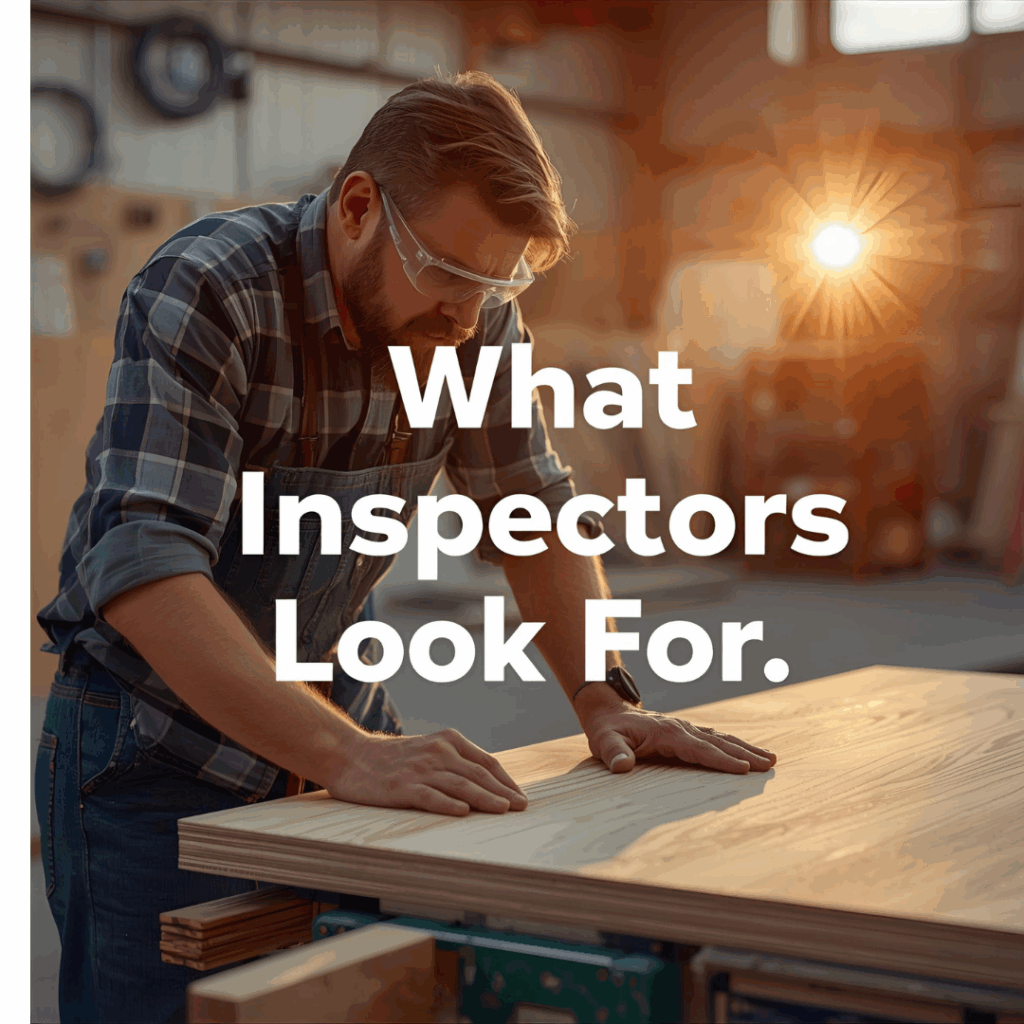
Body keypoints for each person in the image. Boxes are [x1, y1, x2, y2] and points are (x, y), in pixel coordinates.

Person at [34, 71, 776, 1024]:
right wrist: (348, 755)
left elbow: (530, 505)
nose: (469, 318)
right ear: (356, 208)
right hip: (151, 757)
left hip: (337, 736)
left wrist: (603, 695)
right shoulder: (212, 286)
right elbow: (141, 561)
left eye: (497, 284)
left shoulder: (471, 321)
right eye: (454, 277)